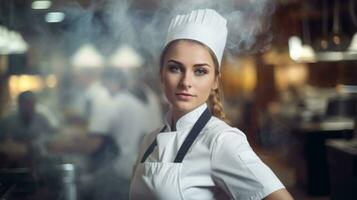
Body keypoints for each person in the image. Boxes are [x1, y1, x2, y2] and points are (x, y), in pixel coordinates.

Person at [130, 9, 294, 200]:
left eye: (200, 71)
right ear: (161, 74)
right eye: (175, 68)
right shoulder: (150, 141)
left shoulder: (221, 141)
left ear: (215, 80)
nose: (186, 82)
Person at [0, 91, 55, 168]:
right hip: (13, 164)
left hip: (39, 161)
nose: (29, 107)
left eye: (31, 103)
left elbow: (52, 136)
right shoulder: (8, 121)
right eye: (26, 103)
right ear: (19, 104)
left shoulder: (42, 119)